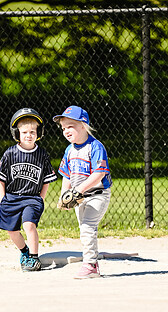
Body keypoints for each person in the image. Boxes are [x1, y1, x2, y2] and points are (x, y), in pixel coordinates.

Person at [0, 108, 57, 271]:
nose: (29, 135)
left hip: (32, 198)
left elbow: (46, 180)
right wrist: (3, 198)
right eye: (24, 132)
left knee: (29, 225)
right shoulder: (10, 153)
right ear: (17, 134)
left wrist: (41, 198)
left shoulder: (42, 154)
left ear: (39, 132)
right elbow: (1, 178)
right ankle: (25, 252)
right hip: (12, 197)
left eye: (32, 132)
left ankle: (34, 259)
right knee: (11, 230)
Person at [53, 105, 112, 279]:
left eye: (70, 126)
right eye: (63, 128)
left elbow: (99, 173)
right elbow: (66, 174)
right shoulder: (69, 150)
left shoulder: (95, 146)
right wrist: (65, 194)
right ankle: (91, 262)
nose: (66, 131)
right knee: (84, 229)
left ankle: (91, 265)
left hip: (98, 195)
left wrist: (78, 190)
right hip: (80, 197)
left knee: (87, 227)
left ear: (83, 125)